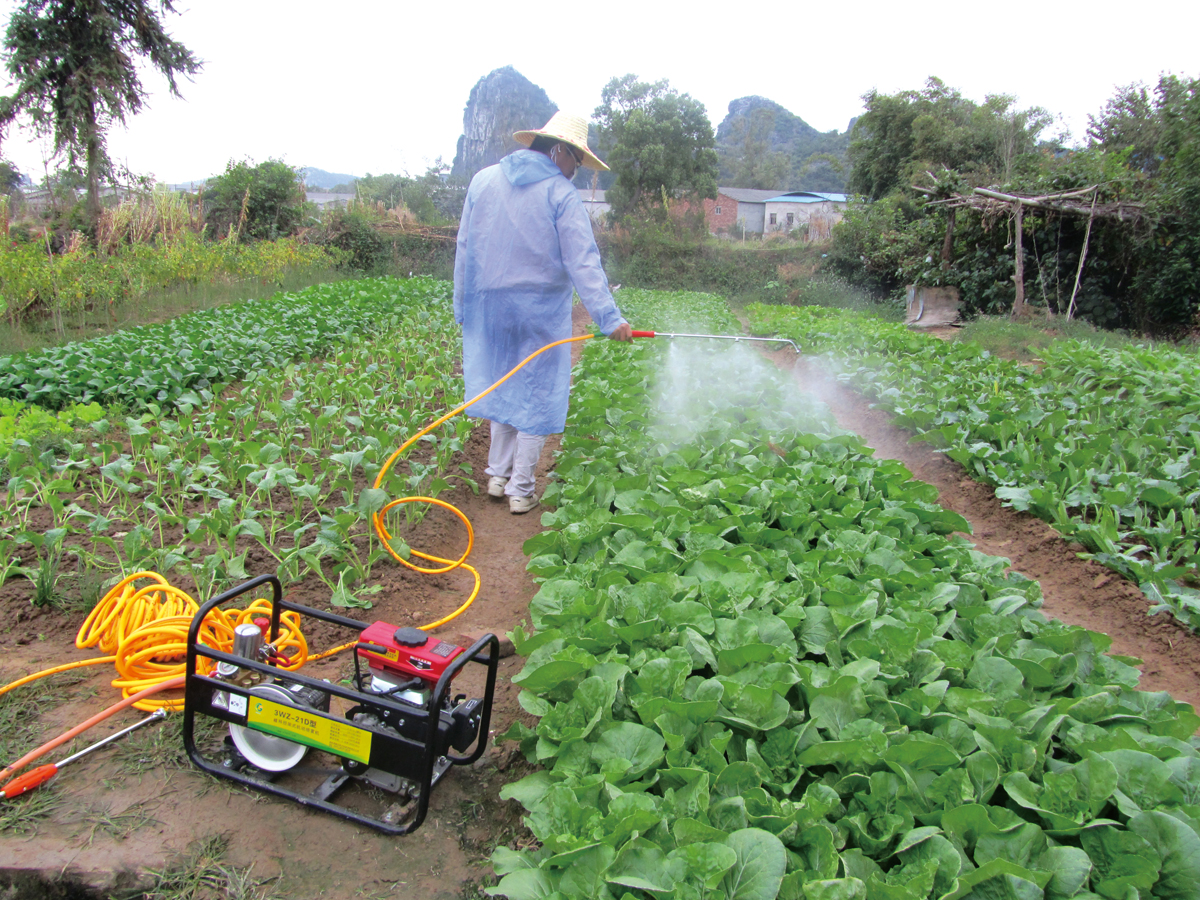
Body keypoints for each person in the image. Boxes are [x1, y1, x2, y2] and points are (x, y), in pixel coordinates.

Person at [453, 112, 632, 515]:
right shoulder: (559, 194)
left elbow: (465, 247)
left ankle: (497, 476)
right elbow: (582, 262)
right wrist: (609, 319)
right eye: (576, 162)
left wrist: (462, 305)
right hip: (536, 310)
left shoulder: (483, 181)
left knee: (503, 383)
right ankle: (522, 489)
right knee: (534, 392)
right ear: (558, 151)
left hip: (488, 308)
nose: (576, 173)